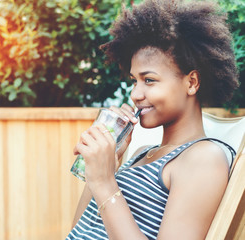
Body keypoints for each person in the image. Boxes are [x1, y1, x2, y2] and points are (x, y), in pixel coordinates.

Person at [66, 0, 239, 239]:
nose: (135, 95)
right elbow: (80, 230)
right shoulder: (142, 153)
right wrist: (106, 165)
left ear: (191, 83)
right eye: (134, 81)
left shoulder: (204, 158)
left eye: (149, 80)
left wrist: (106, 182)